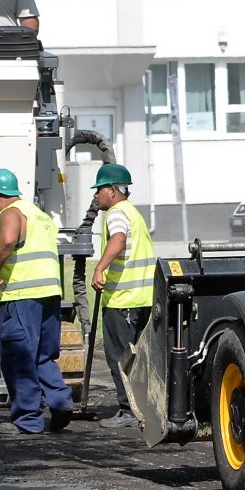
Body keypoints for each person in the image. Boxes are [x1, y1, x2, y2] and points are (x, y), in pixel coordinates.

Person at [0, 167, 73, 436]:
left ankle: (27, 420)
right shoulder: (41, 216)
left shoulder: (10, 212)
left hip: (21, 296)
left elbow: (9, 240)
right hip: (49, 294)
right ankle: (60, 401)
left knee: (19, 357)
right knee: (43, 356)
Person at [89, 162, 155, 429]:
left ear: (113, 192)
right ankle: (145, 409)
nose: (95, 195)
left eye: (99, 189)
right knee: (140, 358)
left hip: (123, 299)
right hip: (143, 298)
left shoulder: (115, 213)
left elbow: (117, 239)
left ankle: (128, 410)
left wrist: (100, 267)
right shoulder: (133, 213)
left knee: (121, 357)